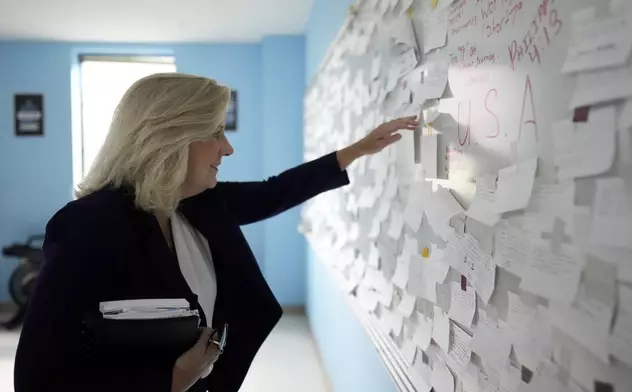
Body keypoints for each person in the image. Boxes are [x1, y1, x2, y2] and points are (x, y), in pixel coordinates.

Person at [13, 72, 419, 392]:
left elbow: (273, 192)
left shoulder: (197, 203)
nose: (228, 148)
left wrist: (357, 150)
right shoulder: (89, 225)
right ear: (170, 139)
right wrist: (170, 383)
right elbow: (39, 379)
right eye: (216, 133)